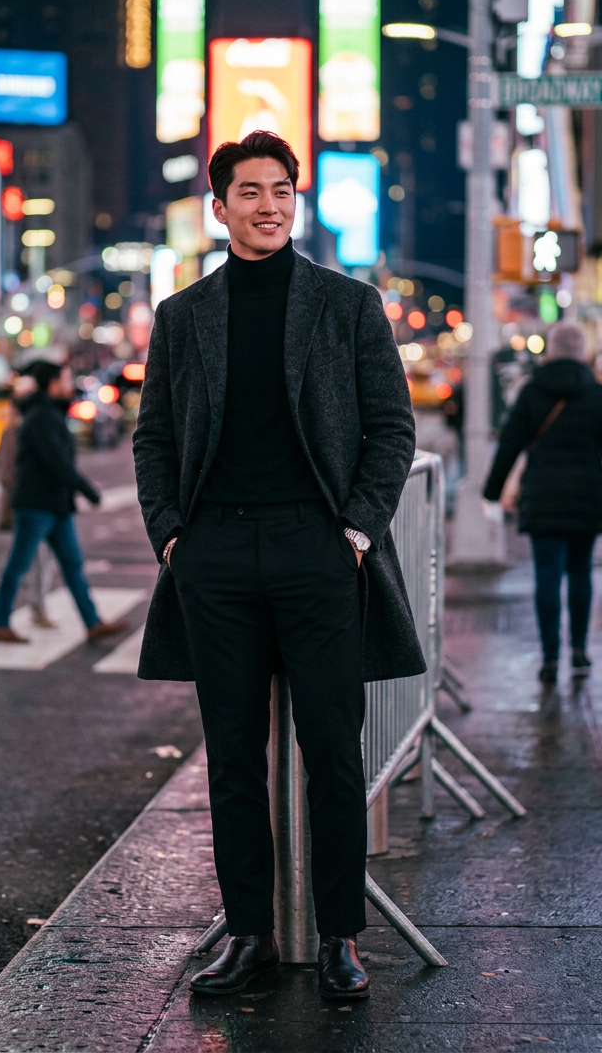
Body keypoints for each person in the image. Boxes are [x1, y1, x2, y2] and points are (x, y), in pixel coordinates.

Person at [133, 131, 424, 1001]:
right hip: (214, 553)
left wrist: (358, 530)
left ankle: (339, 937)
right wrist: (173, 536)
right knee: (230, 760)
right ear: (217, 207)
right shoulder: (183, 316)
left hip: (317, 548)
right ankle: (249, 933)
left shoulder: (347, 305)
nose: (270, 205)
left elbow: (392, 428)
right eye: (251, 192)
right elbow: (153, 438)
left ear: (297, 202)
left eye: (283, 191)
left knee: (332, 749)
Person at [483, 321, 602, 683]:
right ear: (581, 353)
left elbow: (510, 443)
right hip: (586, 497)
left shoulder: (533, 391)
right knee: (581, 572)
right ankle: (579, 650)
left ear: (551, 351)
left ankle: (550, 656)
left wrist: (491, 491)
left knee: (547, 576)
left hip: (544, 497)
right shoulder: (599, 395)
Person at [0, 360, 126, 644]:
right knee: (18, 564)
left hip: (54, 504)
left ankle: (92, 622)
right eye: (65, 380)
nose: (69, 386)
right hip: (36, 504)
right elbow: (56, 462)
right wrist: (88, 490)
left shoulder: (48, 413)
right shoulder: (42, 416)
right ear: (52, 384)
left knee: (72, 564)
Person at [0, 372, 56, 628]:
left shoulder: (32, 424)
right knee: (32, 560)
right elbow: (8, 473)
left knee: (30, 559)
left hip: (39, 502)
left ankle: (8, 598)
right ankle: (32, 609)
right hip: (28, 504)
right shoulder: (14, 430)